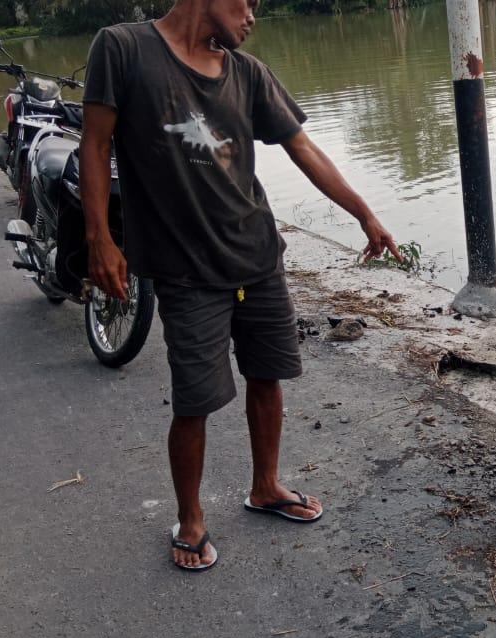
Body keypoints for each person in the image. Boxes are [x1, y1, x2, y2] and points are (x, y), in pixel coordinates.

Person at [79, 0, 402, 570]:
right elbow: (96, 143)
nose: (253, 15)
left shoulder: (248, 73)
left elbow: (303, 148)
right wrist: (101, 241)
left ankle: (266, 486)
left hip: (257, 257)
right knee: (195, 401)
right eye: (247, 2)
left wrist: (364, 213)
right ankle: (191, 518)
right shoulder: (123, 48)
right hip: (185, 271)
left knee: (268, 374)